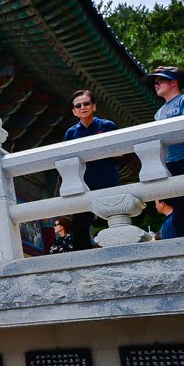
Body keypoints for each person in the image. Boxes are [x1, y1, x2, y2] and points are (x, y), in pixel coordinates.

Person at [62, 91, 120, 250]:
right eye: (78, 106)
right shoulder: (71, 133)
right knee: (80, 222)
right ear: (74, 111)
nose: (83, 107)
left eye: (86, 104)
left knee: (114, 215)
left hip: (107, 178)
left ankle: (119, 248)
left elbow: (119, 151)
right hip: (83, 181)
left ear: (93, 106)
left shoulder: (107, 126)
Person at [145, 66, 184, 177]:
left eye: (160, 81)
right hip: (169, 162)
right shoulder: (158, 113)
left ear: (173, 82)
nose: (156, 85)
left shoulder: (183, 100)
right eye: (155, 83)